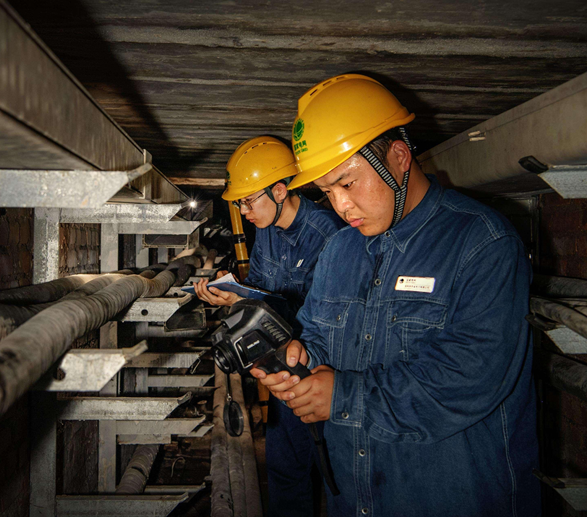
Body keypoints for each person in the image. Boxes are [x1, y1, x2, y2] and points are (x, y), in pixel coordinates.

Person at [251, 75, 541, 516]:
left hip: (453, 499)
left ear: (399, 158)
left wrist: (342, 397)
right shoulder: (339, 250)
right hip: (356, 500)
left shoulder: (482, 242)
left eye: (347, 184)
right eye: (327, 192)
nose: (339, 206)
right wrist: (298, 360)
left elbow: (470, 376)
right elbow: (316, 338)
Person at [195, 135, 345, 517]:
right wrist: (234, 293)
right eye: (240, 202)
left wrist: (248, 300)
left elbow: (329, 315)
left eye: (248, 200)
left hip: (323, 370)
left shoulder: (329, 236)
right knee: (285, 471)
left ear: (280, 191)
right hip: (282, 366)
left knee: (338, 475)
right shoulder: (266, 230)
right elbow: (263, 290)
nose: (243, 209)